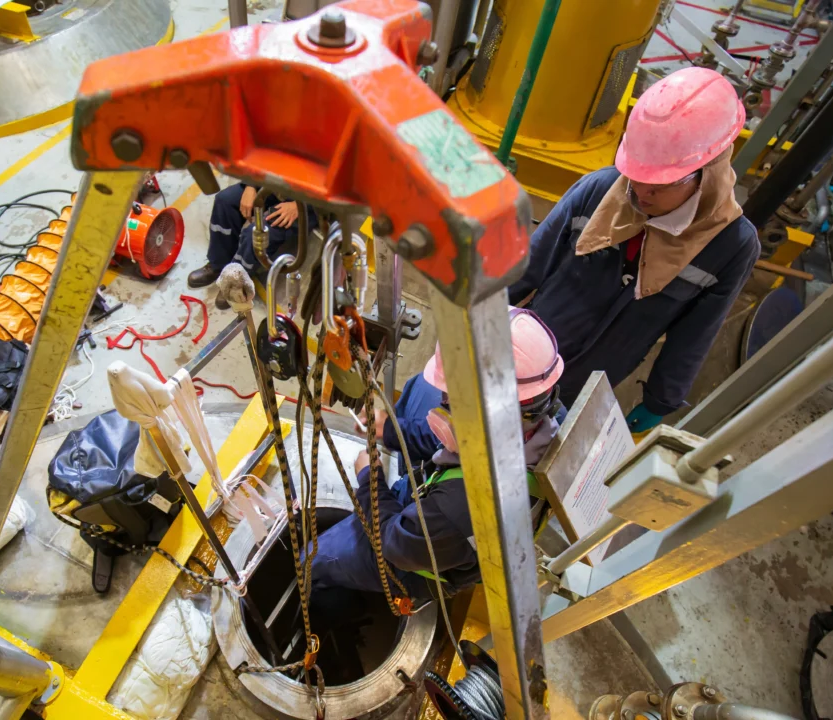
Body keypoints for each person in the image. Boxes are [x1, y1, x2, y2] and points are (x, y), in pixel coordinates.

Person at [507, 67, 761, 434]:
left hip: (591, 379)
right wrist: (480, 323)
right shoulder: (600, 191)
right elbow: (524, 268)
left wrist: (661, 400)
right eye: (637, 175)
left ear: (707, 173)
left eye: (661, 184)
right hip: (523, 355)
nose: (641, 192)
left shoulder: (730, 245)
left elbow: (694, 334)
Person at [310, 308, 565, 606]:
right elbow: (451, 437)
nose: (443, 406)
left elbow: (395, 542)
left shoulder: (462, 507)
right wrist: (391, 429)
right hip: (445, 515)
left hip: (417, 555)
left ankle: (330, 605)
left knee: (313, 560)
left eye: (453, 401)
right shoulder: (540, 419)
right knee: (421, 386)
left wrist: (370, 478)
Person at [186, 183, 316, 307]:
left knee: (255, 234)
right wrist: (251, 185)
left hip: (308, 202)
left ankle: (236, 282)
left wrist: (300, 206)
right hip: (279, 184)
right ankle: (218, 265)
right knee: (224, 201)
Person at [355, 372, 443, 478]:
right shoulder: (425, 379)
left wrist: (367, 477)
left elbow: (443, 443)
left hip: (424, 482)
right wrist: (388, 426)